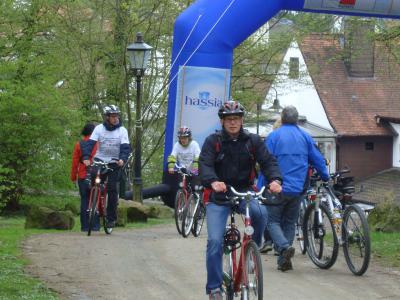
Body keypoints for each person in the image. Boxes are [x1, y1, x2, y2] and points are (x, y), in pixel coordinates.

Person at [199, 100, 282, 299]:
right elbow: (205, 165)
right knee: (214, 242)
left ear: (242, 120)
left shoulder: (252, 141)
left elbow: (268, 162)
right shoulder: (213, 141)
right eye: (229, 119)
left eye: (236, 118)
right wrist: (213, 181)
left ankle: (251, 251)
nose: (233, 122)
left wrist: (275, 180)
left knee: (260, 213)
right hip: (219, 194)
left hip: (244, 191)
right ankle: (214, 288)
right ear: (222, 121)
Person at [258, 105, 329, 272]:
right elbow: (317, 159)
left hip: (276, 188)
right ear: (297, 119)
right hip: (297, 189)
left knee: (272, 222)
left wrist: (260, 187)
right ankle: (284, 260)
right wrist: (325, 176)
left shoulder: (274, 137)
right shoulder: (305, 136)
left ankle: (283, 247)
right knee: (289, 222)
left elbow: (265, 162)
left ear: (282, 118)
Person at [82, 105, 131, 228]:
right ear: (107, 117)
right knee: (94, 178)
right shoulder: (99, 129)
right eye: (113, 116)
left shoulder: (122, 130)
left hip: (114, 162)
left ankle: (111, 218)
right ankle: (95, 200)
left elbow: (125, 148)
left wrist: (122, 159)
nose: (115, 118)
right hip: (100, 160)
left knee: (112, 188)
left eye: (117, 116)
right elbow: (90, 144)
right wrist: (86, 157)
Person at [70, 123, 98, 232]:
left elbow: (75, 163)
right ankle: (95, 225)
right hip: (96, 175)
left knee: (84, 200)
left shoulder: (79, 144)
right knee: (95, 199)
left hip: (82, 176)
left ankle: (85, 226)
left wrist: (73, 177)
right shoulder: (98, 144)